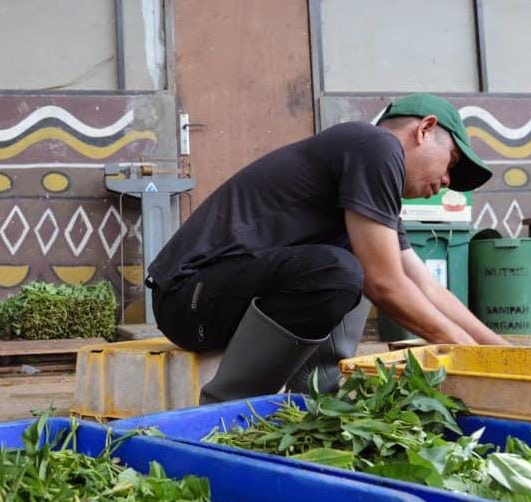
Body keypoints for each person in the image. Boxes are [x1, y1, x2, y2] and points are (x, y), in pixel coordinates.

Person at [145, 93, 509, 404]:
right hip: (188, 298)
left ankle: (317, 399)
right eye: (452, 164)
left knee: (357, 261)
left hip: (227, 300)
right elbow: (386, 284)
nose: (447, 183)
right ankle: (227, 411)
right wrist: (464, 353)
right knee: (342, 270)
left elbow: (425, 287)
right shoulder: (375, 147)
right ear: (425, 129)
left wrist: (501, 355)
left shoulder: (373, 189)